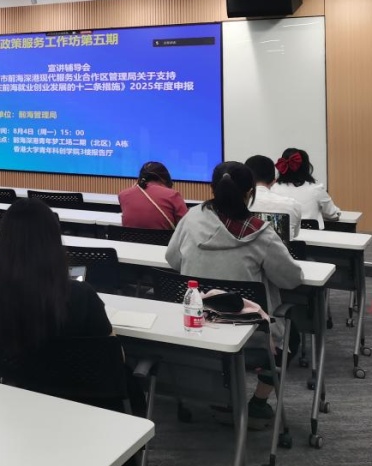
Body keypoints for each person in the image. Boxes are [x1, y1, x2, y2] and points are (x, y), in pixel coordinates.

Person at [165, 161, 303, 428]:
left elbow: (172, 259)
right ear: (249, 192)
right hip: (248, 335)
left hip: (196, 324)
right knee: (291, 337)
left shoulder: (191, 218)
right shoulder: (261, 233)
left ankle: (219, 395)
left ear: (212, 188)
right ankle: (258, 404)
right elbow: (290, 279)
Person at [0, 198, 114, 392]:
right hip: (78, 397)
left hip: (16, 390)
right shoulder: (82, 294)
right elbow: (113, 355)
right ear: (54, 241)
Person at [274, 148, 340, 229]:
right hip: (312, 236)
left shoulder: (273, 189)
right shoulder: (316, 189)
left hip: (282, 236)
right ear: (306, 167)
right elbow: (332, 215)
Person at [117, 161, 188, 230]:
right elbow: (186, 226)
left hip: (130, 238)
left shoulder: (123, 195)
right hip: (164, 238)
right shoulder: (173, 196)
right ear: (165, 178)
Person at [245, 155, 302, 240]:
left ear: (245, 179)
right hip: (281, 248)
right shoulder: (292, 204)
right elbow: (295, 235)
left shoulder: (237, 204)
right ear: (274, 181)